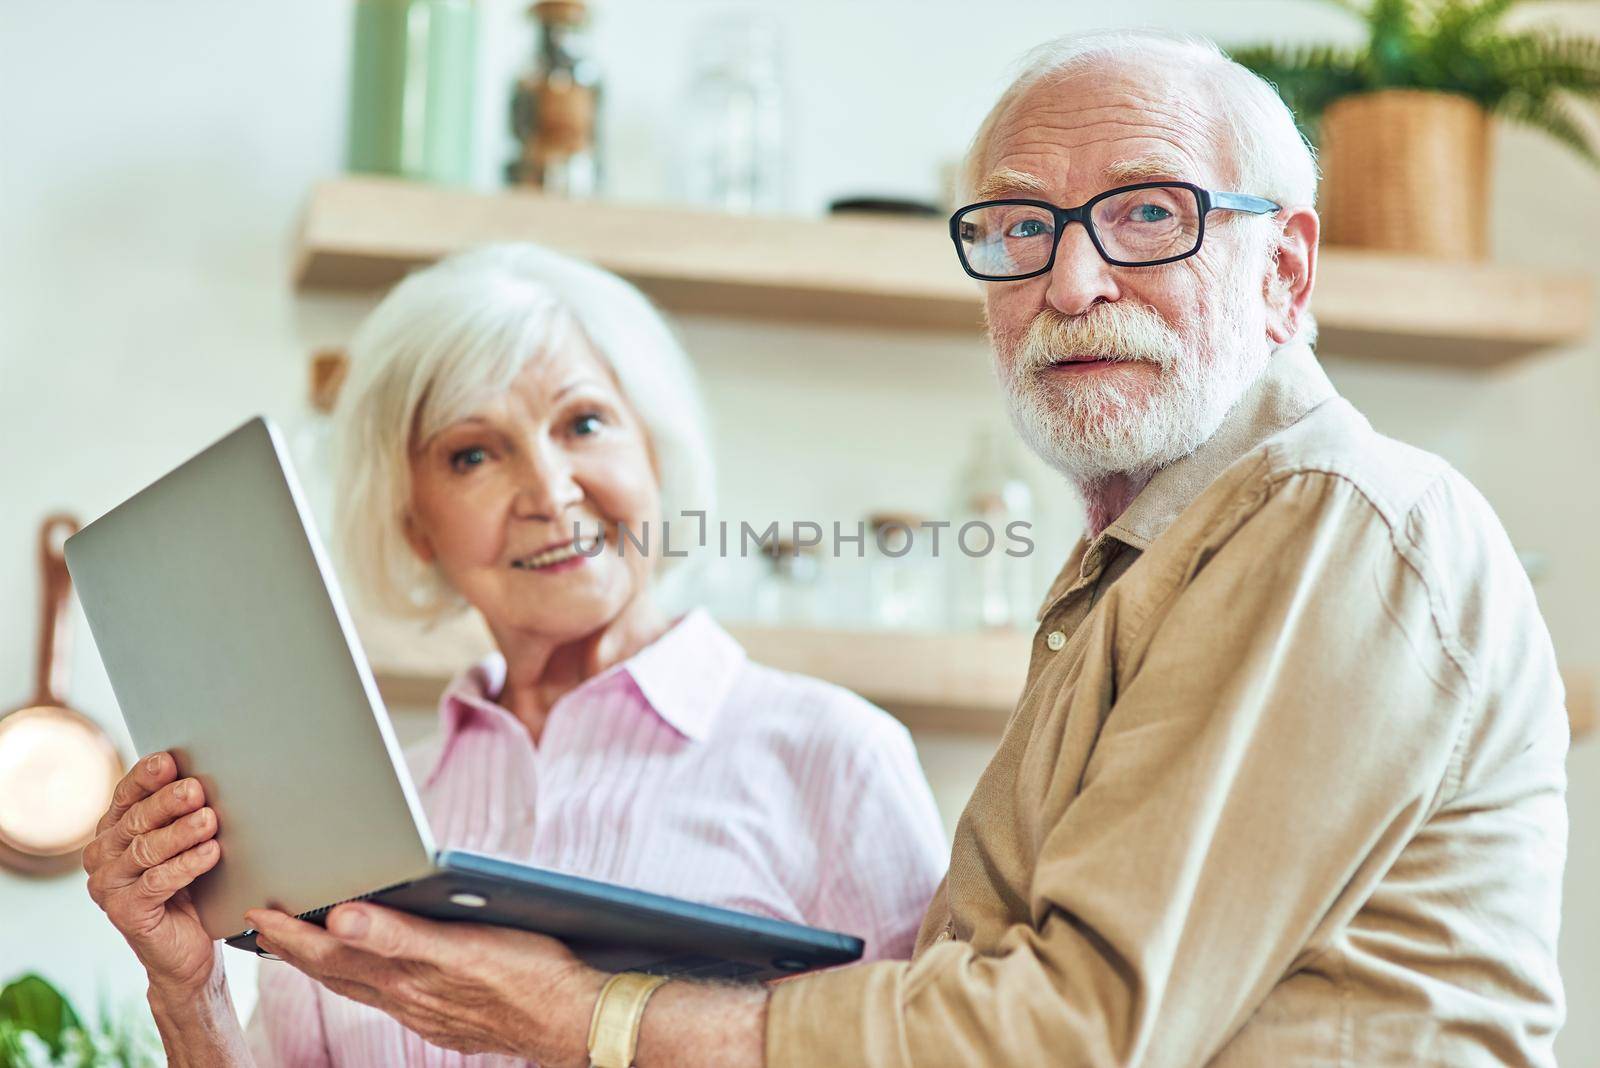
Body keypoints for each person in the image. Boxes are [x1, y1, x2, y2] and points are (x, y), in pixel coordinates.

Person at [89, 26, 1571, 1067]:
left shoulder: (1319, 525)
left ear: (1286, 268)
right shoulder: (373, 806)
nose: (1070, 277)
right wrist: (187, 992)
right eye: (1017, 227)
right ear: (413, 515)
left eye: (1148, 215)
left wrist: (579, 1018)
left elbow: (1053, 1035)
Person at [80, 244, 948, 1065]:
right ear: (412, 523)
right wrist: (188, 990)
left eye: (584, 422)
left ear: (654, 450)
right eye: (473, 453)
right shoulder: (359, 824)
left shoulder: (836, 757)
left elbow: (935, 1052)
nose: (548, 490)